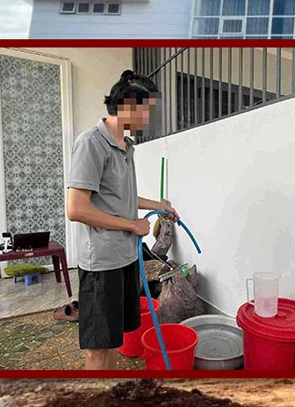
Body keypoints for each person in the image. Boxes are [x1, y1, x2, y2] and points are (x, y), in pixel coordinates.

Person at [65, 70, 178, 370]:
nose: (148, 118)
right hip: (102, 264)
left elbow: (124, 197)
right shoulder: (92, 143)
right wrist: (132, 225)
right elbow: (76, 208)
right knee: (99, 347)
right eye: (147, 111)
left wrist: (159, 206)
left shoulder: (127, 147)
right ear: (129, 105)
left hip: (126, 258)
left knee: (113, 339)